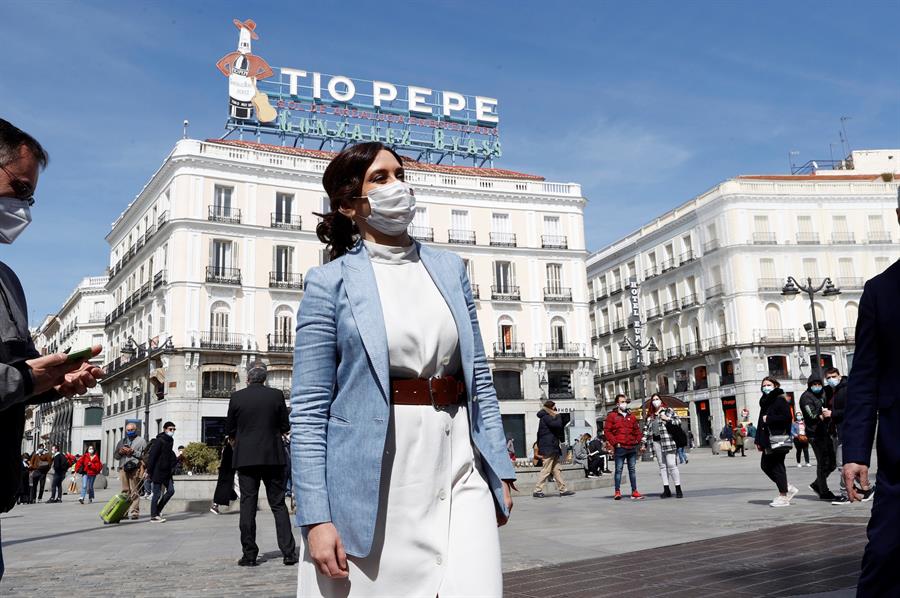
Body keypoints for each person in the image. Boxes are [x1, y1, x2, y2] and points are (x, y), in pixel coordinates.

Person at [292, 142, 516, 597]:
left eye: (399, 174)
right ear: (348, 204)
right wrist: (315, 516)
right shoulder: (328, 283)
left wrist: (500, 467)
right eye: (381, 178)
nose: (399, 186)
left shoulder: (449, 269)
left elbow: (479, 376)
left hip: (458, 465)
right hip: (374, 477)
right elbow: (310, 409)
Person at [0, 119, 105, 579]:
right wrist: (26, 378)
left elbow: (15, 372)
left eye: (30, 194)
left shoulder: (8, 280)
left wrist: (51, 383)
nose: (24, 205)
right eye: (19, 187)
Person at [842, 237, 897, 596]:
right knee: (884, 556)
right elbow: (864, 377)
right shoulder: (881, 290)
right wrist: (856, 453)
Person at [226, 361, 297, 566]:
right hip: (272, 457)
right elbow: (285, 425)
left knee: (247, 504)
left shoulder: (237, 397)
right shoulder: (276, 395)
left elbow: (229, 427)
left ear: (248, 378)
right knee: (278, 505)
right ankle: (289, 553)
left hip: (246, 459)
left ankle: (249, 555)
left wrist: (236, 440)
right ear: (265, 378)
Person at [755, 377, 798, 507]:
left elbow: (787, 418)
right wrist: (758, 440)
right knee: (765, 466)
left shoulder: (779, 399)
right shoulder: (765, 401)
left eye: (769, 385)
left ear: (775, 386)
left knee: (777, 466)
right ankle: (786, 488)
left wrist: (769, 418)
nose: (766, 387)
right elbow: (760, 422)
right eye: (764, 385)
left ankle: (784, 495)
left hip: (778, 439)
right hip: (767, 440)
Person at [824, 367, 860, 505]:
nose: (831, 380)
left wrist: (832, 414)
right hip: (840, 431)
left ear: (839, 376)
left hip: (847, 431)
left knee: (842, 464)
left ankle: (846, 494)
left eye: (833, 376)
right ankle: (864, 489)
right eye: (828, 378)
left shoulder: (845, 389)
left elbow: (850, 410)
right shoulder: (835, 391)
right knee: (848, 464)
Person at [800, 375, 838, 500]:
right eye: (814, 384)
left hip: (825, 432)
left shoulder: (823, 393)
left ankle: (817, 484)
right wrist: (820, 415)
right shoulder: (806, 397)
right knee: (823, 462)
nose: (817, 386)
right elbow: (810, 414)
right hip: (814, 434)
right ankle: (823, 490)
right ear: (809, 385)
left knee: (832, 463)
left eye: (818, 384)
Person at [604, 394, 644, 500]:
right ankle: (617, 491)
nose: (624, 403)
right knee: (618, 470)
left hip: (631, 447)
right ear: (617, 403)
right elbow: (607, 431)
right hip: (620, 447)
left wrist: (637, 440)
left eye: (625, 401)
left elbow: (637, 431)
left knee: (632, 469)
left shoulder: (631, 416)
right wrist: (615, 442)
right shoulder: (612, 416)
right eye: (622, 401)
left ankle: (634, 491)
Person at [644, 394, 684, 499]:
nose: (655, 401)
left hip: (668, 441)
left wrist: (667, 418)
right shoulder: (651, 416)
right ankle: (666, 489)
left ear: (661, 401)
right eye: (653, 400)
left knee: (671, 465)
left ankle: (678, 488)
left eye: (657, 399)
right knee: (662, 466)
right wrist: (643, 443)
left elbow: (678, 421)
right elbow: (646, 431)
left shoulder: (668, 410)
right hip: (656, 442)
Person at [533, 400, 575, 498]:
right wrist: (559, 415)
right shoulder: (546, 417)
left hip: (553, 446)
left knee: (557, 470)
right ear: (551, 407)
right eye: (555, 407)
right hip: (549, 447)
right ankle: (537, 490)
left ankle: (563, 490)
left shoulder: (548, 417)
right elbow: (557, 425)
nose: (556, 409)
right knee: (546, 469)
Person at [114, 422, 147, 519]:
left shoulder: (141, 441)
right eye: (128, 430)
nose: (130, 432)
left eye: (132, 430)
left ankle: (134, 512)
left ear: (136, 430)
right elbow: (116, 456)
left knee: (134, 491)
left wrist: (132, 452)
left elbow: (145, 456)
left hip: (135, 468)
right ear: (125, 431)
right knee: (125, 491)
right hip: (123, 468)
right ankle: (124, 512)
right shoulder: (122, 441)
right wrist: (120, 452)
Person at [147, 422, 177, 522]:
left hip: (167, 472)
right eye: (170, 429)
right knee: (156, 494)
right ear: (165, 429)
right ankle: (153, 516)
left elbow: (169, 454)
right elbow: (152, 456)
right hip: (158, 471)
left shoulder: (170, 440)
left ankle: (157, 511)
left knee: (171, 491)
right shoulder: (159, 441)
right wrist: (149, 471)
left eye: (174, 429)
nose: (172, 431)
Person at [210, 437, 237, 515]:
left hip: (227, 474)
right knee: (239, 489)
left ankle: (215, 506)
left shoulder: (228, 449)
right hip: (228, 474)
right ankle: (248, 504)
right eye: (232, 440)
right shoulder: (228, 449)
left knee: (224, 490)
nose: (233, 441)